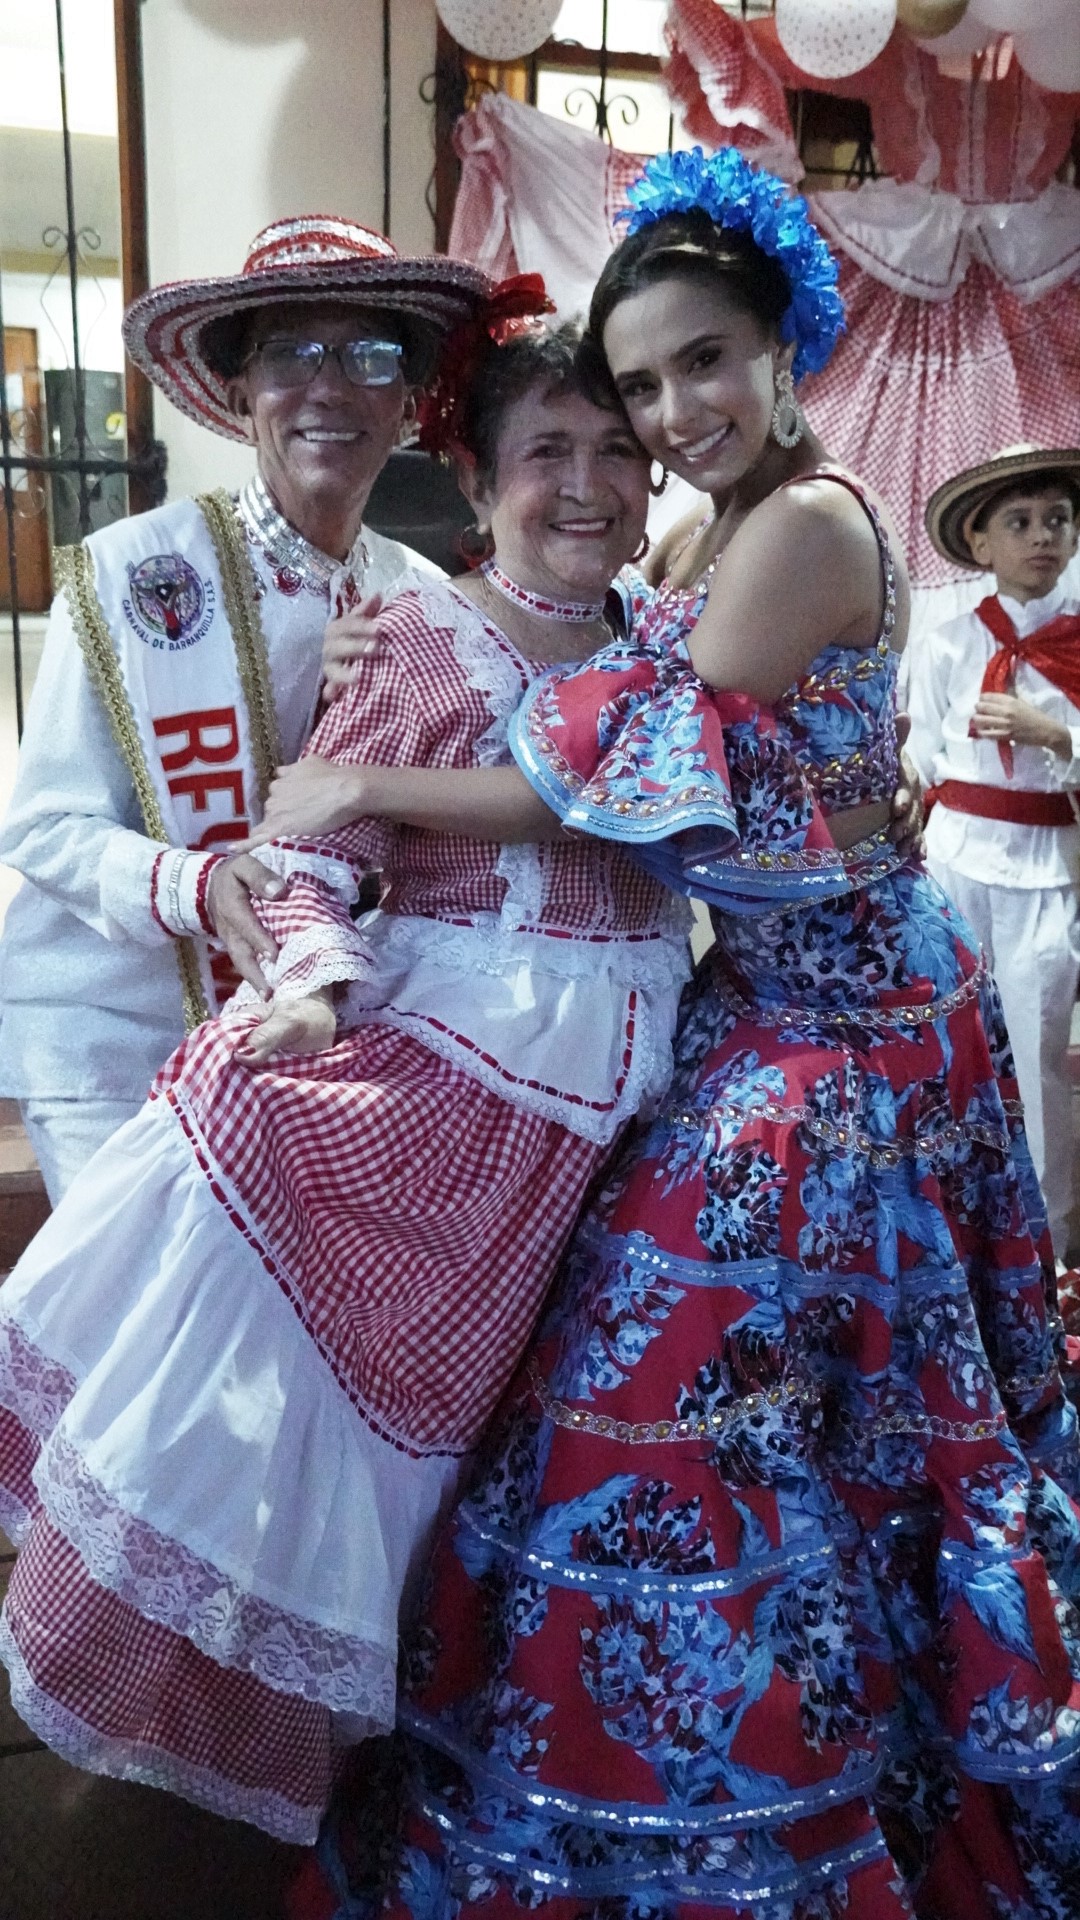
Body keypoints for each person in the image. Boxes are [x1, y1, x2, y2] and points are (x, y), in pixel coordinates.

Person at [338, 150, 1080, 1920]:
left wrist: (363, 777)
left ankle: (779, 1804)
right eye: (645, 382)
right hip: (764, 1013)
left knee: (669, 1392)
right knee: (778, 1419)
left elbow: (612, 783)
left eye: (706, 365)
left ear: (784, 347)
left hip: (851, 1047)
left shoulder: (810, 525)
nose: (675, 412)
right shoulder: (714, 526)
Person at [0, 316, 701, 1846]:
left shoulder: (590, 618)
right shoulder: (157, 578)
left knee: (493, 1423)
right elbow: (281, 849)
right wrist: (296, 971)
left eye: (616, 452)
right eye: (545, 454)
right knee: (208, 1379)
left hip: (590, 1079)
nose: (584, 485)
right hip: (176, 1016)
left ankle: (482, 1710)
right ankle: (181, 1692)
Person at [0, 216, 486, 1201]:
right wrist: (201, 882)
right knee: (126, 1337)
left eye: (372, 353)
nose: (330, 385)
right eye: (289, 352)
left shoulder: (427, 594)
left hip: (306, 1028)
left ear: (407, 399)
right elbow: (44, 830)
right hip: (113, 1033)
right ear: (238, 386)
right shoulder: (131, 571)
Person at [908, 448, 1080, 1264]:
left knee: (1039, 1047)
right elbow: (922, 759)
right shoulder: (945, 644)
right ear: (980, 545)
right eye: (1019, 522)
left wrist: (1060, 736)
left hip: (1048, 867)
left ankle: (1046, 1246)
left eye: (1058, 519)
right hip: (954, 863)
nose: (1042, 536)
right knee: (949, 1043)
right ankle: (945, 1229)